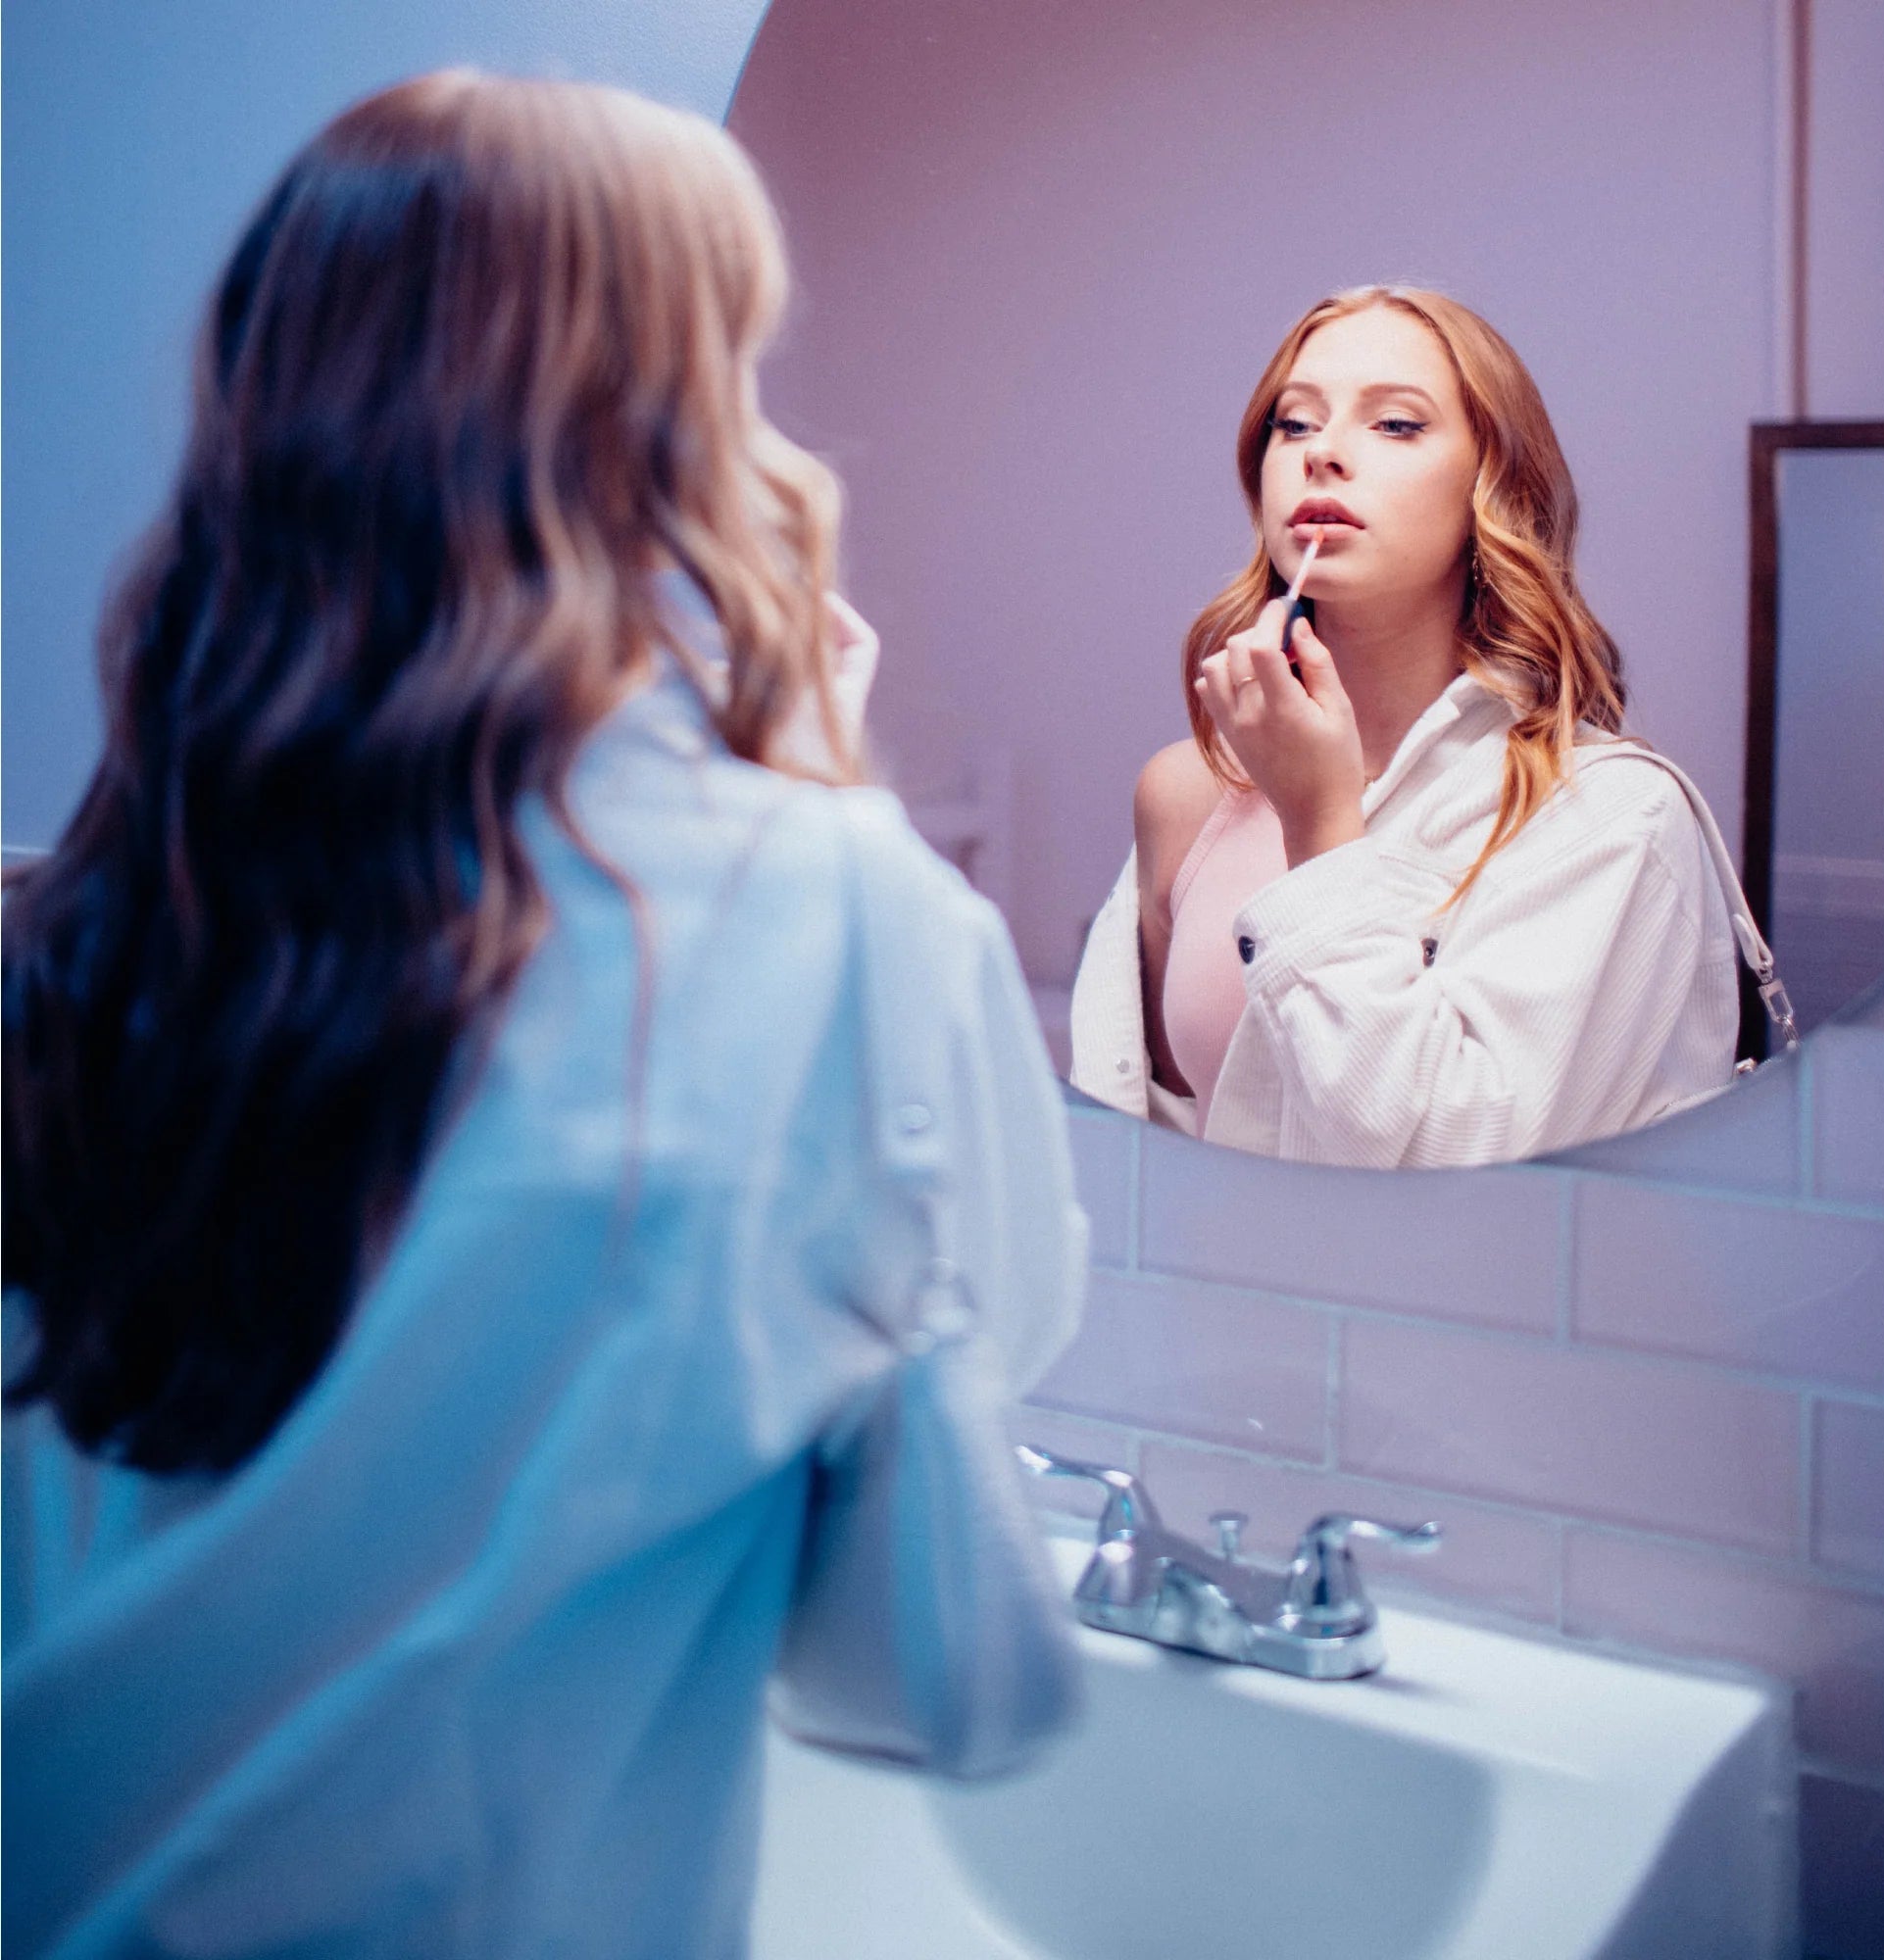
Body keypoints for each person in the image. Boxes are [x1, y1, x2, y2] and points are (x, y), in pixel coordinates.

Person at [2, 73, 1083, 1959]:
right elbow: (998, 1369)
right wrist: (815, 794)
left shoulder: (85, 913)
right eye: (736, 368)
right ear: (658, 436)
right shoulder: (831, 912)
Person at [1070, 286, 1741, 1166]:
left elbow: (1445, 1167)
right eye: (1294, 423)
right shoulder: (1188, 794)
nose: (1323, 454)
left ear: (1492, 486)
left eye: (1395, 424)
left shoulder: (1609, 817)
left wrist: (1320, 824)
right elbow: (1153, 1141)